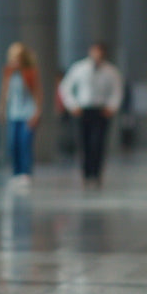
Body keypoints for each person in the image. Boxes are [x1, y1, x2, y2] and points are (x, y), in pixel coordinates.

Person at [58, 42, 124, 187]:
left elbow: (117, 91)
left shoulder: (111, 71)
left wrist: (112, 107)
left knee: (98, 143)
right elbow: (65, 87)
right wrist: (73, 105)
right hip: (83, 110)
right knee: (84, 143)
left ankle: (96, 173)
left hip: (101, 111)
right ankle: (86, 173)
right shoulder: (79, 68)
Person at [0, 42, 42, 187]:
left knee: (25, 143)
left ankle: (25, 173)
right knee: (13, 143)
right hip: (14, 113)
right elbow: (5, 93)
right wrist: (2, 109)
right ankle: (16, 173)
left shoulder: (30, 72)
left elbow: (37, 93)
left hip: (27, 113)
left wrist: (37, 112)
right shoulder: (9, 72)